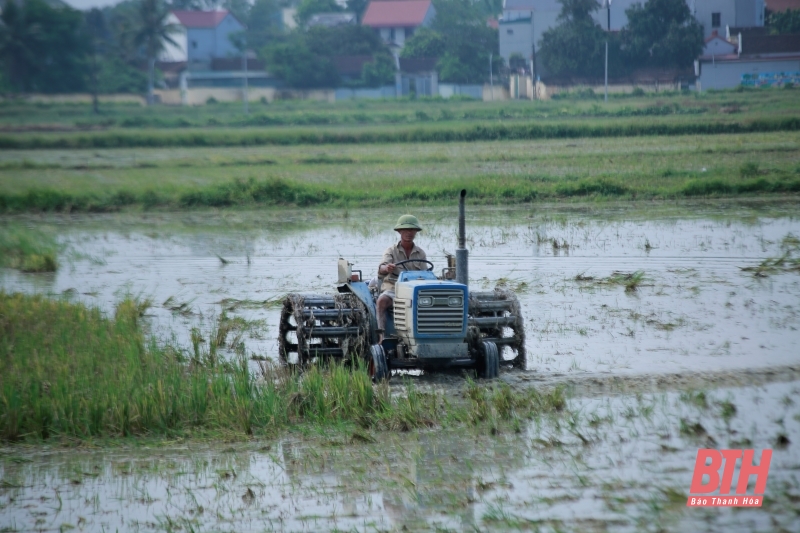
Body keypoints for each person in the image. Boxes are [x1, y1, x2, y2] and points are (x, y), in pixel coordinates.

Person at [376, 214, 427, 342]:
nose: (409, 233)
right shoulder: (391, 251)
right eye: (405, 230)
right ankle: (382, 336)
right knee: (381, 301)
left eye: (412, 230)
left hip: (415, 290)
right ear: (399, 231)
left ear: (416, 232)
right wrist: (386, 268)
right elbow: (382, 267)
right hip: (395, 288)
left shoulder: (420, 253)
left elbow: (426, 275)